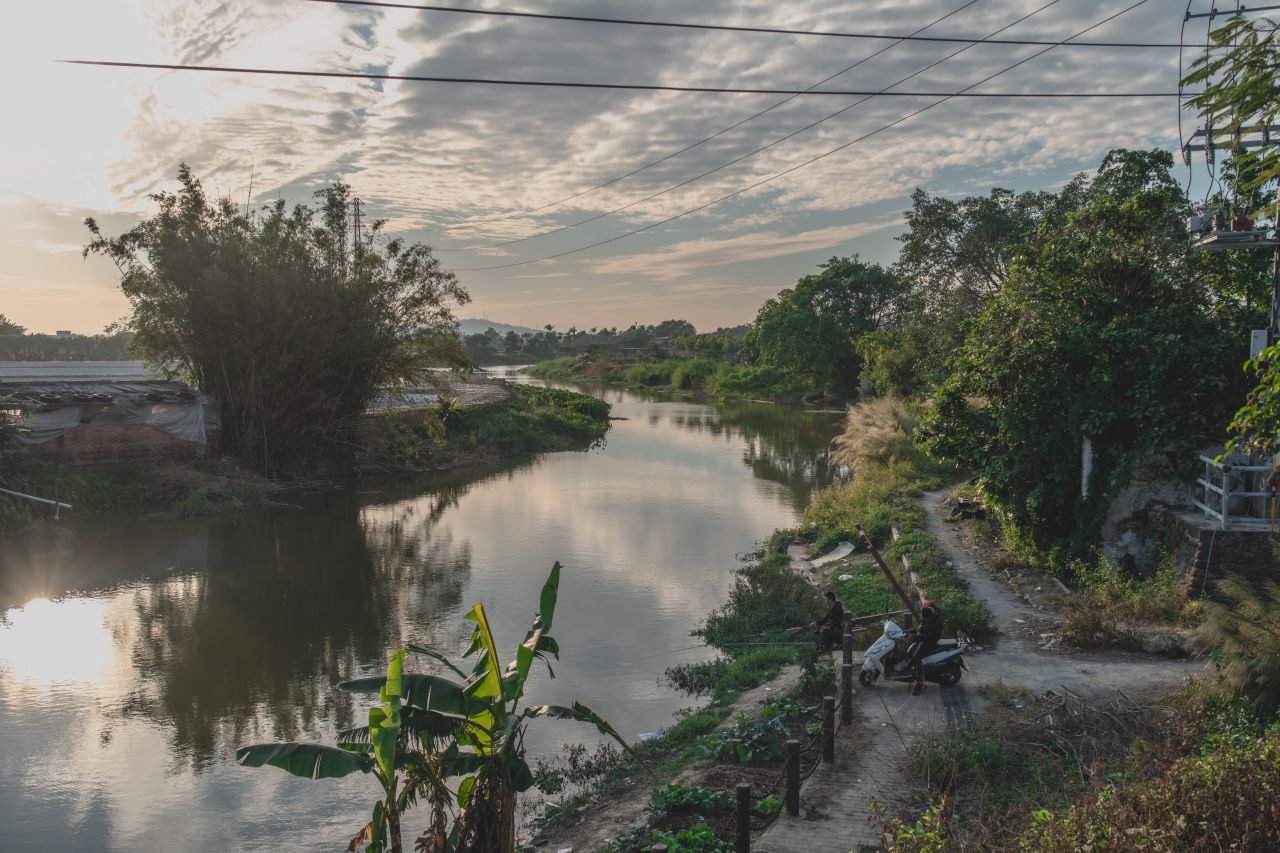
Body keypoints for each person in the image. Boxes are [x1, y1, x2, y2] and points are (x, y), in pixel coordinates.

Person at [907, 600, 943, 693]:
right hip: (923, 638)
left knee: (916, 658)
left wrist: (915, 636)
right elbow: (923, 627)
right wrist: (913, 633)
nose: (924, 620)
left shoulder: (937, 623)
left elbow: (928, 637)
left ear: (931, 617)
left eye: (926, 619)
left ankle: (921, 684)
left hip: (929, 642)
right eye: (924, 618)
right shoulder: (928, 614)